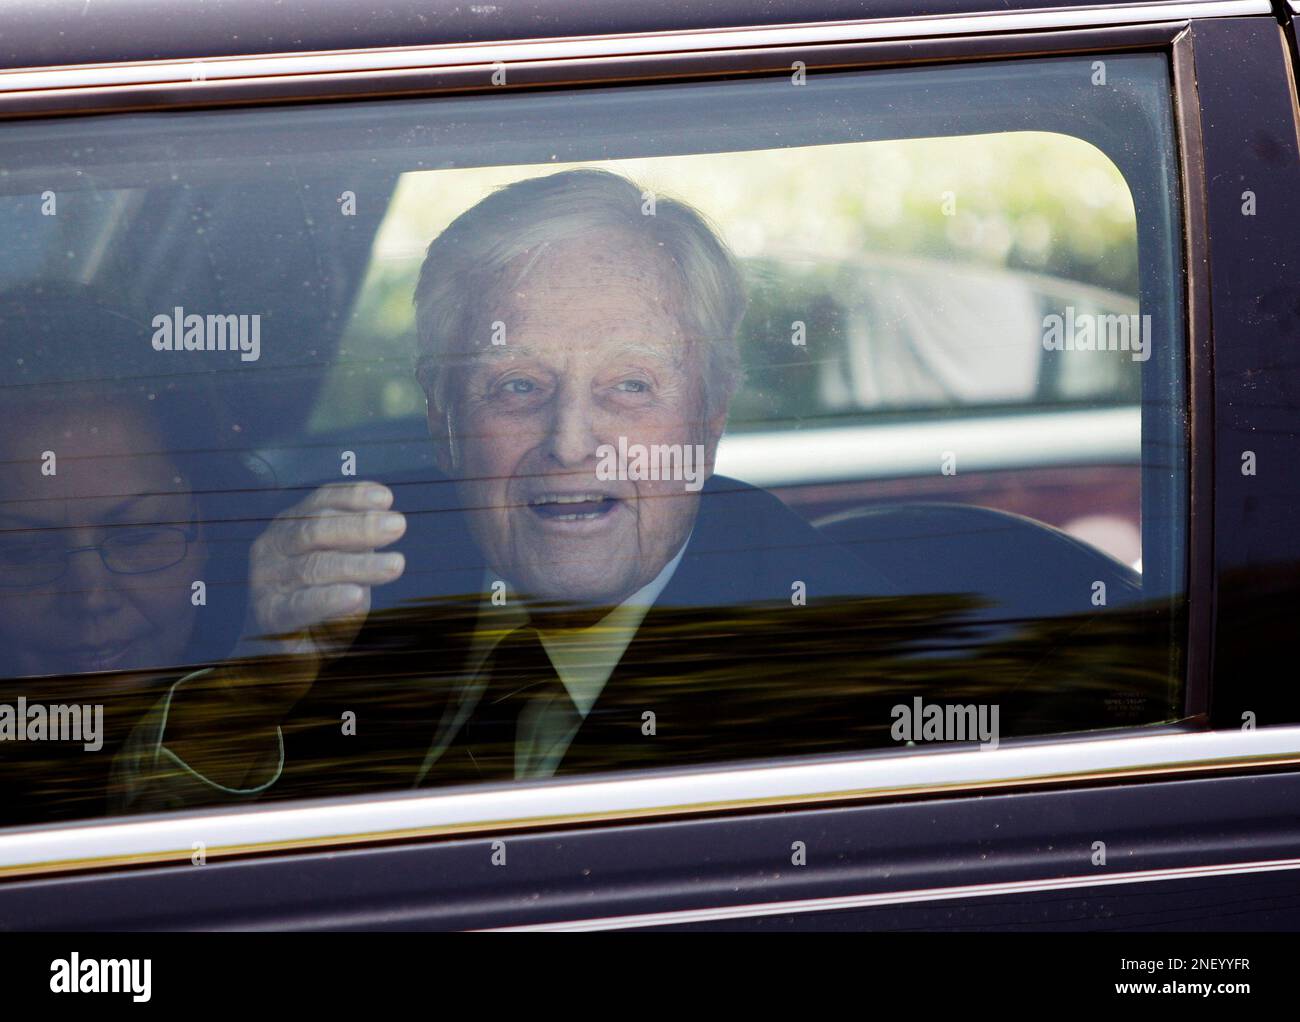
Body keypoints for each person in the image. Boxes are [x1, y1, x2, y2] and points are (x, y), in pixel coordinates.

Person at [117, 169, 1133, 812]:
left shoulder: (845, 675)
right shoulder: (360, 581)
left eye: (628, 387)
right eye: (516, 387)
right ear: (438, 410)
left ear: (711, 408)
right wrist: (243, 700)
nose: (570, 441)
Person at [0, 286, 255, 823]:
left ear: (207, 524)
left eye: (139, 535)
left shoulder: (308, 705)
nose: (90, 596)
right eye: (25, 552)